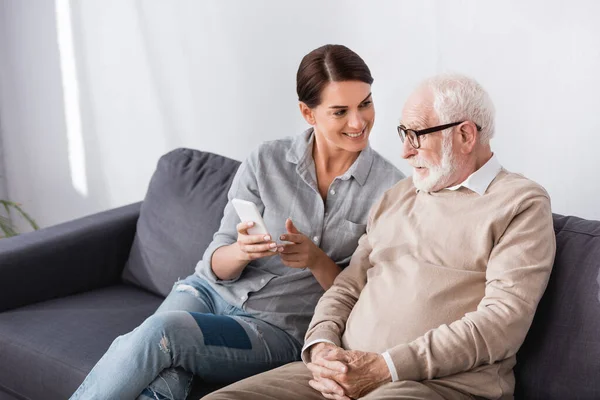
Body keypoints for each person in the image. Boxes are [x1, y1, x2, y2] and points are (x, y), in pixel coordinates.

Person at [69, 44, 404, 400]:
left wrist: (316, 260)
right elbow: (214, 263)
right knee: (160, 382)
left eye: (365, 103)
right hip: (206, 293)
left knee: (159, 334)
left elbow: (367, 301)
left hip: (274, 327)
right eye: (341, 111)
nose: (358, 122)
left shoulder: (390, 191)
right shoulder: (267, 160)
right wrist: (242, 251)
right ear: (308, 113)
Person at [203, 73, 557, 400]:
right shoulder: (398, 195)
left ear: (465, 135)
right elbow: (347, 286)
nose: (405, 151)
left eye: (417, 134)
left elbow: (502, 323)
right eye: (403, 134)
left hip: (433, 385)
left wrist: (385, 367)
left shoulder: (519, 203)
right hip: (342, 370)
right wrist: (322, 344)